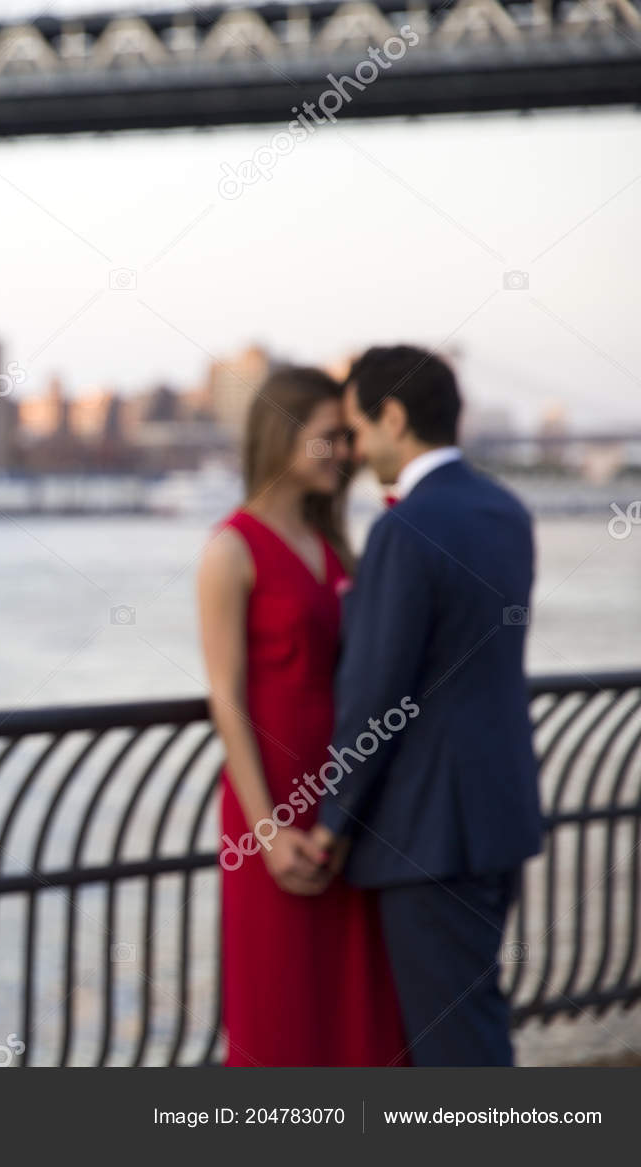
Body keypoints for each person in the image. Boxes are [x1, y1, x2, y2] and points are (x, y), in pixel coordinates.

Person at [310, 346, 541, 1066]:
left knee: (452, 1046)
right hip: (500, 811)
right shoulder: (505, 510)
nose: (353, 449)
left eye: (358, 429)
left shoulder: (404, 529)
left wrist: (332, 820)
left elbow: (377, 691)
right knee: (476, 1017)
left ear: (395, 417)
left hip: (427, 832)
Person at [197, 367, 408, 1067]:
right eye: (330, 437)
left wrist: (346, 813)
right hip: (270, 809)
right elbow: (226, 696)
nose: (346, 451)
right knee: (281, 1005)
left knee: (358, 1008)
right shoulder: (229, 550)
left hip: (344, 809)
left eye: (350, 437)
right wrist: (266, 832)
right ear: (283, 435)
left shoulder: (338, 547)